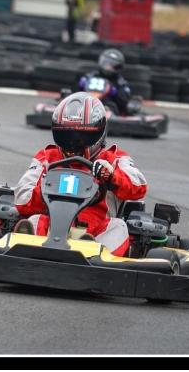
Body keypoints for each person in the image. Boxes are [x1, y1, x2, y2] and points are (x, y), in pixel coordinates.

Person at [12, 92, 147, 257]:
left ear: (98, 133)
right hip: (52, 225)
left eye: (80, 137)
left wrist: (112, 177)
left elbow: (139, 187)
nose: (72, 144)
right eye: (66, 136)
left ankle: (91, 253)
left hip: (97, 229)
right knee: (35, 220)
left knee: (119, 227)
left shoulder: (114, 159)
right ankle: (25, 246)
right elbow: (22, 200)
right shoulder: (47, 157)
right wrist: (44, 185)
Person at [79, 48, 133, 115]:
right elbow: (76, 91)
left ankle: (105, 113)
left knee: (110, 105)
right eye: (105, 63)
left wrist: (115, 92)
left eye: (111, 65)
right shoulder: (90, 76)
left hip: (108, 104)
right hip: (87, 101)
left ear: (118, 67)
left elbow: (124, 103)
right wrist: (81, 84)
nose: (107, 67)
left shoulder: (121, 83)